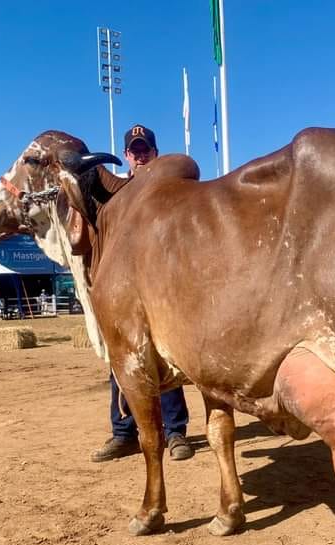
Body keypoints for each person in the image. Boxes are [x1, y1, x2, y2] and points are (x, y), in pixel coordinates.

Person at [91, 124, 193, 463]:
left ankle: (175, 431)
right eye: (134, 151)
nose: (140, 155)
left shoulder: (170, 188)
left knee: (167, 356)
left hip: (161, 286)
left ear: (155, 153)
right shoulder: (113, 194)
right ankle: (124, 433)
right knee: (121, 360)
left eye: (145, 149)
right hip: (123, 288)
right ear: (126, 156)